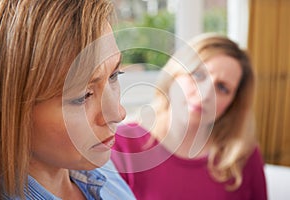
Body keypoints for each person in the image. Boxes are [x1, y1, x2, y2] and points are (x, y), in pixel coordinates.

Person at [0, 0, 136, 199]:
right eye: (82, 96)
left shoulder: (101, 172)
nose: (118, 114)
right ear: (7, 107)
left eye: (114, 75)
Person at [112, 33, 267, 200]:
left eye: (222, 88)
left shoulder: (243, 155)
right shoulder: (120, 145)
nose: (206, 94)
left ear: (233, 104)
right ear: (174, 74)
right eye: (198, 75)